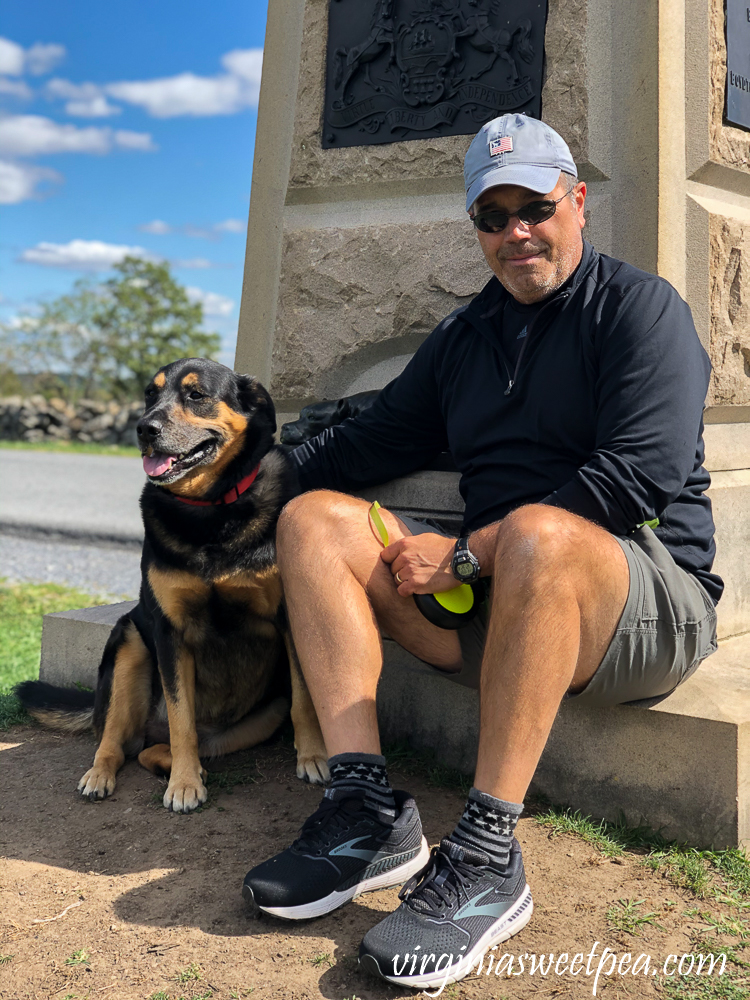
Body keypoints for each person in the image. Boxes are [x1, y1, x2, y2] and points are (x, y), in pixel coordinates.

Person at [242, 114, 722, 990]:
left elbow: (635, 479)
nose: (516, 233)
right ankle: (364, 813)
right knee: (313, 518)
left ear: (577, 202)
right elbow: (368, 443)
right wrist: (245, 486)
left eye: (534, 207)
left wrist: (464, 557)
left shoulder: (641, 310)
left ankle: (489, 856)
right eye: (492, 217)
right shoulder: (467, 337)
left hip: (643, 603)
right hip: (503, 608)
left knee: (538, 532)